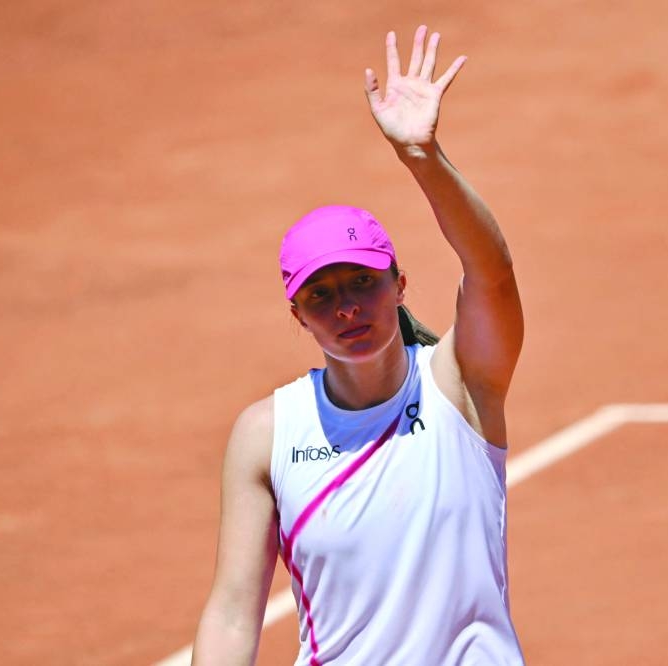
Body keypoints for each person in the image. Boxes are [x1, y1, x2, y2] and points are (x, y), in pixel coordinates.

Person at [191, 25, 525, 665]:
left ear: (399, 285)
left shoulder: (460, 385)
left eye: (363, 282)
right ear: (298, 316)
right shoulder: (267, 434)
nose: (346, 306)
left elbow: (493, 274)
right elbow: (232, 611)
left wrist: (423, 158)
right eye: (321, 295)